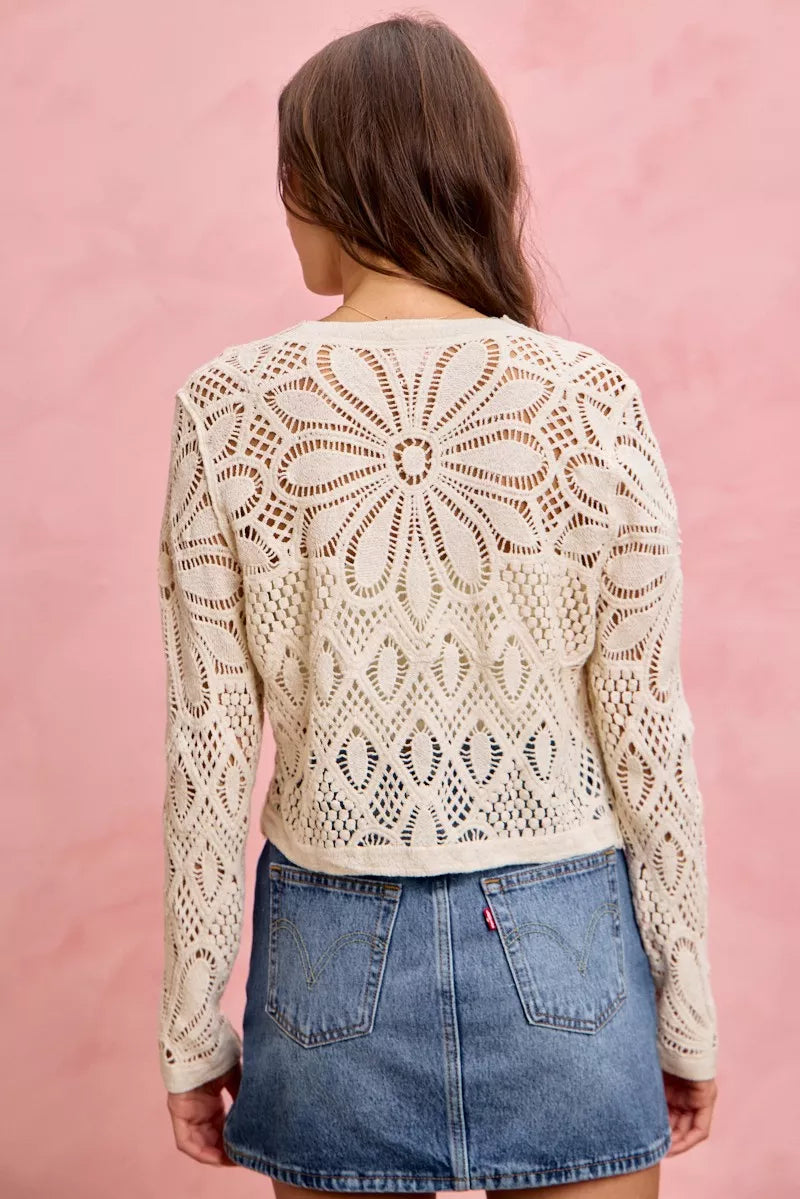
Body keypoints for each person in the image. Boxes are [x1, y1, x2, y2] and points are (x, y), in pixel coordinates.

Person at [156, 14, 718, 1198]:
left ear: (324, 180)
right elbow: (643, 728)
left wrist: (190, 1023)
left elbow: (210, 743)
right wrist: (686, 1007)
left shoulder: (228, 406)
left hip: (324, 954)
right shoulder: (588, 399)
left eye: (287, 173)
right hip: (568, 943)